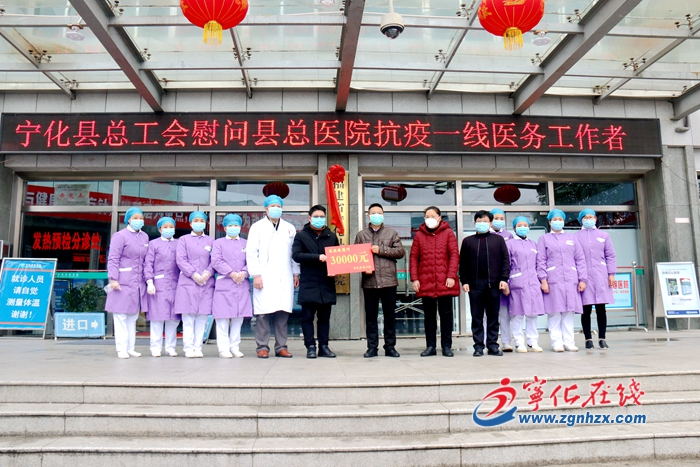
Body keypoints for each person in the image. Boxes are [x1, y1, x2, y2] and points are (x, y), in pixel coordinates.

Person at [247, 195, 300, 359]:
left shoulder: (289, 228)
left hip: (285, 275)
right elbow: (251, 252)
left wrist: (295, 272)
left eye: (279, 206)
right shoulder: (257, 227)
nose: (276, 208)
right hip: (264, 276)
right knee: (263, 313)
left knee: (282, 313)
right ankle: (262, 347)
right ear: (266, 209)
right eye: (273, 206)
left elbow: (293, 253)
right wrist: (256, 275)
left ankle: (281, 347)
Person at [355, 203, 405, 358]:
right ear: (368, 216)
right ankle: (372, 347)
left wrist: (381, 249)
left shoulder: (392, 233)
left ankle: (390, 347)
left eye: (379, 213)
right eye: (373, 213)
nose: (376, 215)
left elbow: (400, 252)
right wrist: (363, 268)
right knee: (371, 317)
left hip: (389, 281)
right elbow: (356, 257)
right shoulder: (361, 235)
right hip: (369, 281)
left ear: (383, 215)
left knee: (390, 316)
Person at [409, 206, 460, 357]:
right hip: (426, 281)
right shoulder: (419, 235)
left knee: (446, 315)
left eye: (432, 216)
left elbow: (454, 255)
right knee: (429, 316)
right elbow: (414, 258)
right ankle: (430, 346)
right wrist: (415, 278)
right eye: (427, 216)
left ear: (439, 218)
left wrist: (451, 275)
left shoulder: (448, 233)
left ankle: (446, 346)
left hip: (445, 281)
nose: (429, 219)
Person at [459, 210, 510, 357]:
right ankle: (478, 346)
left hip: (494, 284)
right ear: (474, 223)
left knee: (493, 317)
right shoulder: (468, 241)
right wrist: (464, 281)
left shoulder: (498, 240)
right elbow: (463, 264)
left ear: (490, 223)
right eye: (479, 221)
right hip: (475, 285)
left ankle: (493, 345)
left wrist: (504, 279)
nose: (482, 223)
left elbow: (505, 260)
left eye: (485, 221)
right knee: (477, 318)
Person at [292, 205, 340, 359]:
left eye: (322, 217)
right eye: (316, 216)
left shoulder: (331, 236)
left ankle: (324, 346)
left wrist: (336, 269)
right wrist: (317, 257)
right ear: (309, 218)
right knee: (307, 317)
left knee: (324, 318)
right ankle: (310, 346)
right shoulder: (301, 236)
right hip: (309, 282)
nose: (319, 219)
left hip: (326, 283)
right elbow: (296, 255)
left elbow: (338, 257)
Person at [537, 209, 588, 352]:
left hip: (571, 280)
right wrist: (543, 280)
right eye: (555, 219)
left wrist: (582, 279)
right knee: (554, 312)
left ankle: (569, 342)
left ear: (564, 221)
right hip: (553, 280)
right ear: (549, 222)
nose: (557, 222)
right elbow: (541, 260)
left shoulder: (572, 238)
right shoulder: (544, 239)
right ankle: (556, 343)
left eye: (560, 219)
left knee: (569, 312)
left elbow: (580, 259)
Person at [105, 207, 149, 359]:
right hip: (122, 281)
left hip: (138, 282)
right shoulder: (120, 236)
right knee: (120, 316)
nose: (139, 220)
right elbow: (113, 258)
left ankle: (131, 348)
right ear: (129, 219)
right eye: (135, 218)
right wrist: (113, 278)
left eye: (141, 218)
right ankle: (121, 348)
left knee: (133, 316)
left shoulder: (144, 236)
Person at [174, 211, 215, 358]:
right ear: (190, 223)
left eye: (202, 221)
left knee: (202, 318)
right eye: (196, 221)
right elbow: (181, 259)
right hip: (188, 282)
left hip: (206, 283)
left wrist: (207, 273)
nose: (199, 223)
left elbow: (214, 260)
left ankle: (198, 347)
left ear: (205, 223)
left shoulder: (211, 241)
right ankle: (188, 348)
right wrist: (193, 274)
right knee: (188, 318)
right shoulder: (183, 240)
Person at [211, 214, 252, 358]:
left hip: (242, 284)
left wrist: (244, 273)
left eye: (236, 225)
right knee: (222, 318)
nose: (233, 228)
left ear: (240, 227)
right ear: (224, 228)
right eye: (230, 225)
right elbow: (216, 261)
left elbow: (252, 260)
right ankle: (223, 348)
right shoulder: (218, 243)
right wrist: (232, 273)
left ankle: (235, 347)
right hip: (225, 284)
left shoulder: (246, 243)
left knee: (238, 319)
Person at [577, 209, 616, 350]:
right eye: (586, 217)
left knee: (601, 308)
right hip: (584, 276)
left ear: (595, 219)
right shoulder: (576, 237)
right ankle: (588, 339)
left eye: (591, 217)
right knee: (585, 308)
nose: (589, 219)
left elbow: (610, 255)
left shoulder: (603, 235)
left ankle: (602, 338)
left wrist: (611, 274)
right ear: (581, 219)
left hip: (601, 275)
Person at [504, 217, 544, 353]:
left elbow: (539, 264)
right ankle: (519, 342)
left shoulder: (533, 244)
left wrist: (541, 280)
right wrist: (506, 282)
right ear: (514, 228)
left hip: (533, 283)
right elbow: (506, 264)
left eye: (525, 225)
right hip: (517, 283)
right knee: (518, 314)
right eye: (519, 225)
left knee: (533, 314)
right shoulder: (509, 244)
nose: (523, 228)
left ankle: (533, 342)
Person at [143, 216, 181, 357]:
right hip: (158, 284)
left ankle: (170, 347)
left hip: (175, 284)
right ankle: (155, 347)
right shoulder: (153, 244)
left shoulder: (179, 243)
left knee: (173, 319)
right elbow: (148, 263)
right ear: (159, 229)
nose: (168, 229)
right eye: (165, 227)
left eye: (171, 227)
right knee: (157, 318)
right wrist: (149, 281)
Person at [491, 208, 514, 352]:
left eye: (501, 218)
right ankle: (488, 341)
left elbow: (510, 259)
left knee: (505, 314)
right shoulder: (485, 234)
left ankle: (506, 342)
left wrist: (507, 280)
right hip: (490, 279)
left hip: (504, 279)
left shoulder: (508, 235)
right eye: (496, 218)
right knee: (488, 314)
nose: (499, 221)